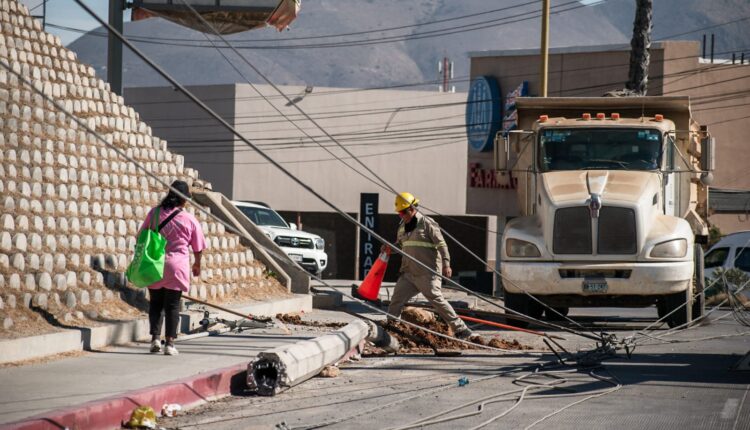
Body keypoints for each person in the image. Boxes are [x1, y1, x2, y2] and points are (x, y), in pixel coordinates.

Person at [385, 192, 473, 339]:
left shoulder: (427, 223)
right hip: (408, 274)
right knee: (396, 300)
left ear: (412, 208)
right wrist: (390, 248)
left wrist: (446, 264)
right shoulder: (401, 227)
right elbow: (402, 245)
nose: (401, 215)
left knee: (437, 301)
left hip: (427, 273)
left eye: (403, 212)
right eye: (399, 213)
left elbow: (442, 245)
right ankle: (391, 328)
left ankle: (461, 329)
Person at [139, 180, 206, 356]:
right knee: (173, 305)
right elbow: (198, 247)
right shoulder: (189, 219)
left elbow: (141, 236)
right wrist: (197, 264)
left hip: (155, 264)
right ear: (184, 200)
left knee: (155, 303)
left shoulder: (154, 214)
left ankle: (154, 339)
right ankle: (169, 343)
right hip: (177, 265)